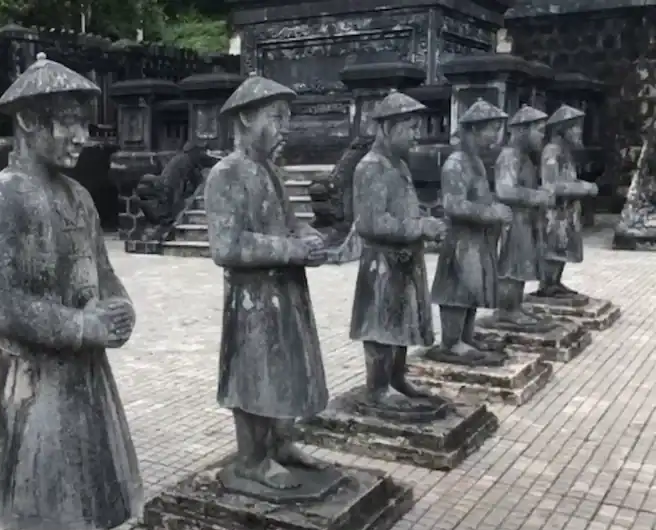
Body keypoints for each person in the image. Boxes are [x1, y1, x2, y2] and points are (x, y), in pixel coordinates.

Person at [0, 53, 144, 530]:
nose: (81, 135)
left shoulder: (79, 197)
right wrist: (79, 326)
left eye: (82, 122)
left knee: (92, 487)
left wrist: (120, 307)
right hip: (36, 381)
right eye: (68, 120)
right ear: (28, 120)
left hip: (88, 374)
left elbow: (105, 272)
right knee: (43, 498)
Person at [204, 72, 329, 492]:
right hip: (252, 299)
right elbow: (227, 246)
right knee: (254, 373)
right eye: (275, 118)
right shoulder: (226, 174)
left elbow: (289, 225)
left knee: (287, 368)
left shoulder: (270, 173)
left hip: (285, 293)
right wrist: (291, 250)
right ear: (244, 119)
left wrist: (308, 238)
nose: (284, 129)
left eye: (286, 119)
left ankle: (282, 442)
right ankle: (252, 459)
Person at [350, 90, 447, 404]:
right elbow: (371, 223)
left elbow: (404, 210)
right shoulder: (371, 167)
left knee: (403, 322)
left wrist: (425, 219)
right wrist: (420, 227)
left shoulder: (399, 166)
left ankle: (397, 378)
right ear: (385, 128)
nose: (415, 135)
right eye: (409, 128)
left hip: (405, 260)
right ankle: (377, 388)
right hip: (382, 263)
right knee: (381, 325)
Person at [429, 99, 512, 365]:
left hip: (478, 239)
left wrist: (494, 208)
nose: (496, 136)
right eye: (491, 129)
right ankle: (451, 342)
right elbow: (453, 205)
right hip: (461, 241)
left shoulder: (474, 160)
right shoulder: (456, 163)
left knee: (472, 290)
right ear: (474, 130)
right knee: (458, 290)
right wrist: (490, 213)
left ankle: (465, 337)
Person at [488, 105, 555, 329]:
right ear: (522, 131)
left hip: (525, 220)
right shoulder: (509, 156)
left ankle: (514, 306)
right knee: (512, 266)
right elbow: (504, 190)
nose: (542, 137)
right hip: (513, 221)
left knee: (523, 264)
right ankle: (507, 310)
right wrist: (537, 196)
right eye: (539, 131)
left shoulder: (524, 157)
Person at [533, 105, 599, 298]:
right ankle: (547, 284)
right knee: (554, 247)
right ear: (562, 129)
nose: (579, 131)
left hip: (567, 210)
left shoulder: (566, 152)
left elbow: (569, 179)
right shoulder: (552, 151)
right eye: (575, 127)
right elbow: (551, 185)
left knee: (563, 248)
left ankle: (555, 282)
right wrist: (584, 189)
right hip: (555, 211)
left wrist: (583, 184)